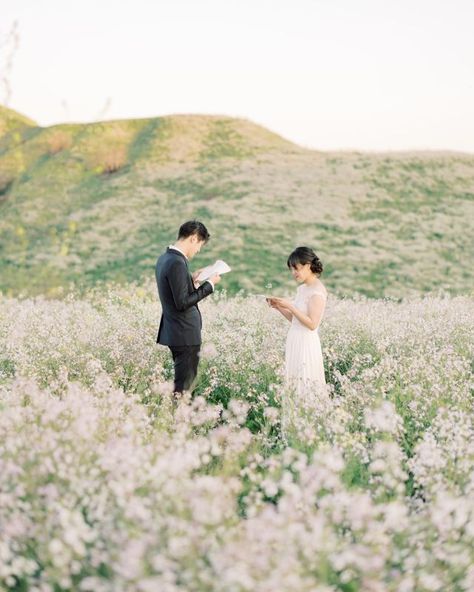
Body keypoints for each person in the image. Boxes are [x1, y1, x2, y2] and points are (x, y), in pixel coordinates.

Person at [155, 220, 221, 396]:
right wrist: (209, 285)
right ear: (193, 238)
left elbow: (175, 292)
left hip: (176, 331)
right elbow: (182, 302)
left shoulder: (165, 258)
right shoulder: (177, 262)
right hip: (185, 334)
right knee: (184, 389)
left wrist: (191, 281)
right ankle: (179, 421)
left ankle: (178, 418)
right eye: (200, 245)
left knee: (182, 386)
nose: (198, 250)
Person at [267, 247, 327, 394]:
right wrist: (279, 307)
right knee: (293, 386)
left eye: (296, 268)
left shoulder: (317, 290)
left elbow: (312, 324)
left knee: (306, 386)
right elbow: (296, 320)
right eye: (291, 269)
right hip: (295, 340)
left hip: (306, 343)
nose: (293, 273)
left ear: (307, 265)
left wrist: (290, 306)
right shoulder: (302, 289)